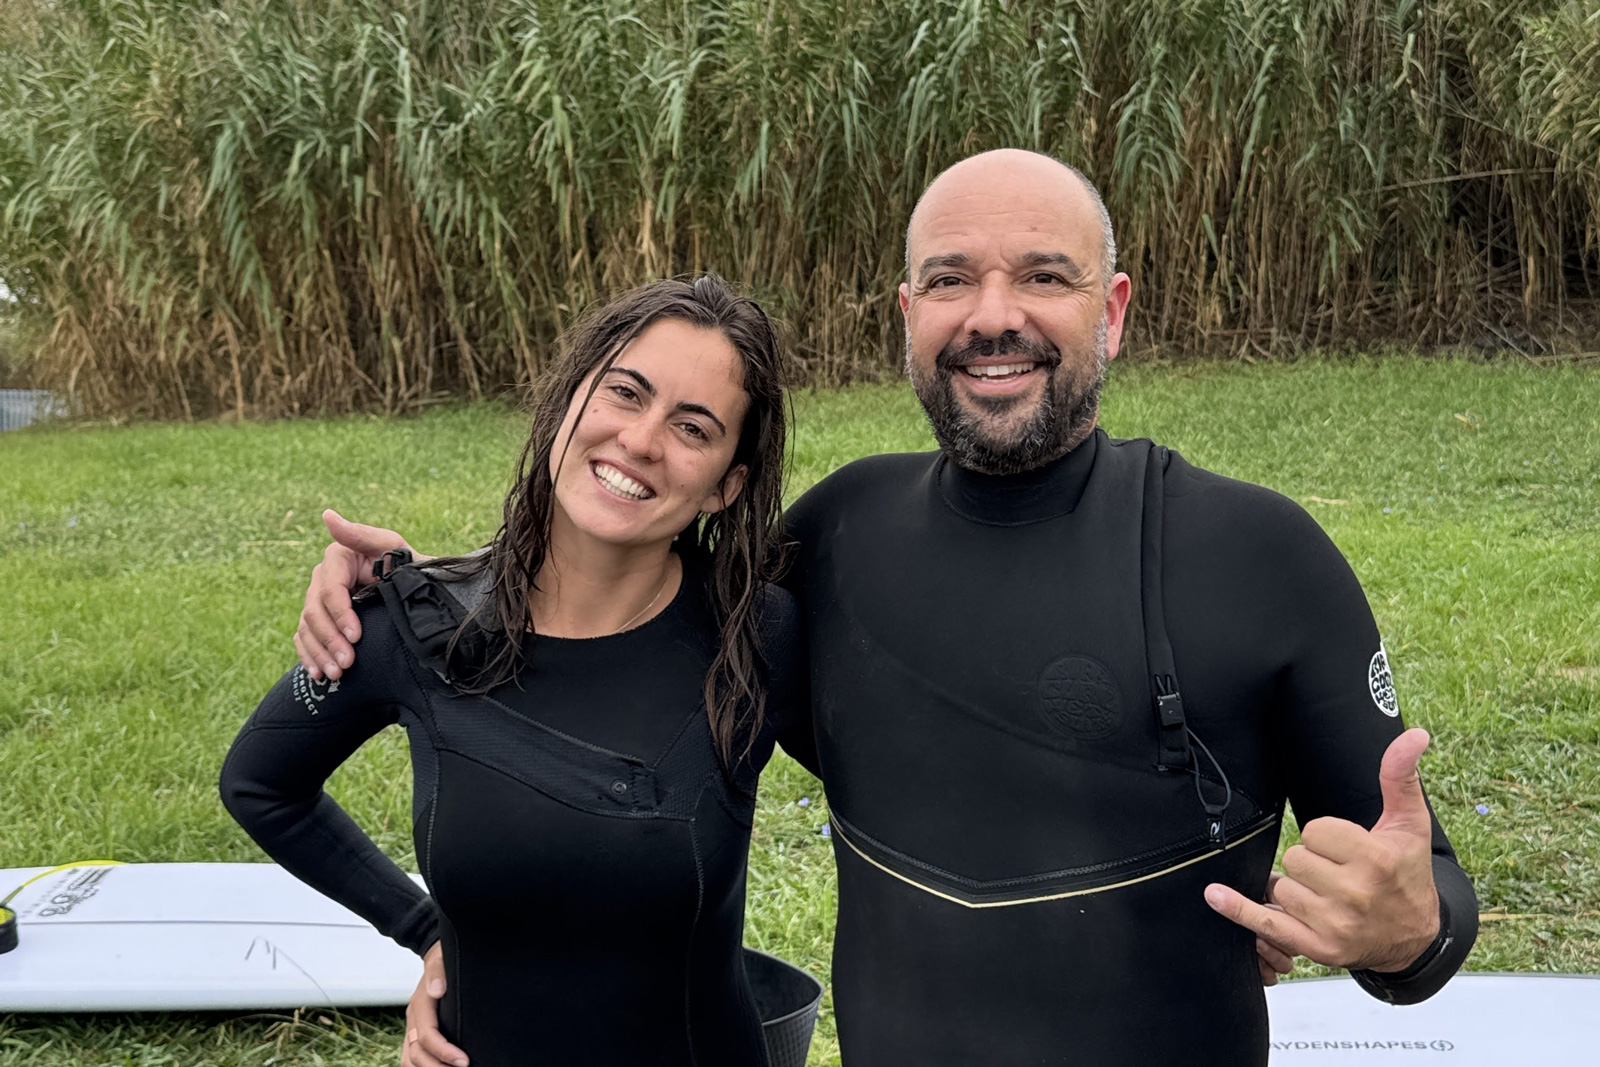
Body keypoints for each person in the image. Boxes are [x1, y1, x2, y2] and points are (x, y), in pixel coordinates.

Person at [294, 151, 1478, 1066]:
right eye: (953, 279)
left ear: (1110, 309)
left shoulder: (1257, 555)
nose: (993, 313)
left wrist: (1404, 931)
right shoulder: (835, 534)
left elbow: (1423, 897)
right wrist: (426, 585)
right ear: (906, 313)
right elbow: (609, 600)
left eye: (1044, 277)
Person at [220, 276, 820, 1067]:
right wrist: (426, 932)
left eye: (693, 427)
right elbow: (261, 784)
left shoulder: (761, 635)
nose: (640, 440)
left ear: (726, 485)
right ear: (569, 399)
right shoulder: (419, 628)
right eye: (624, 392)